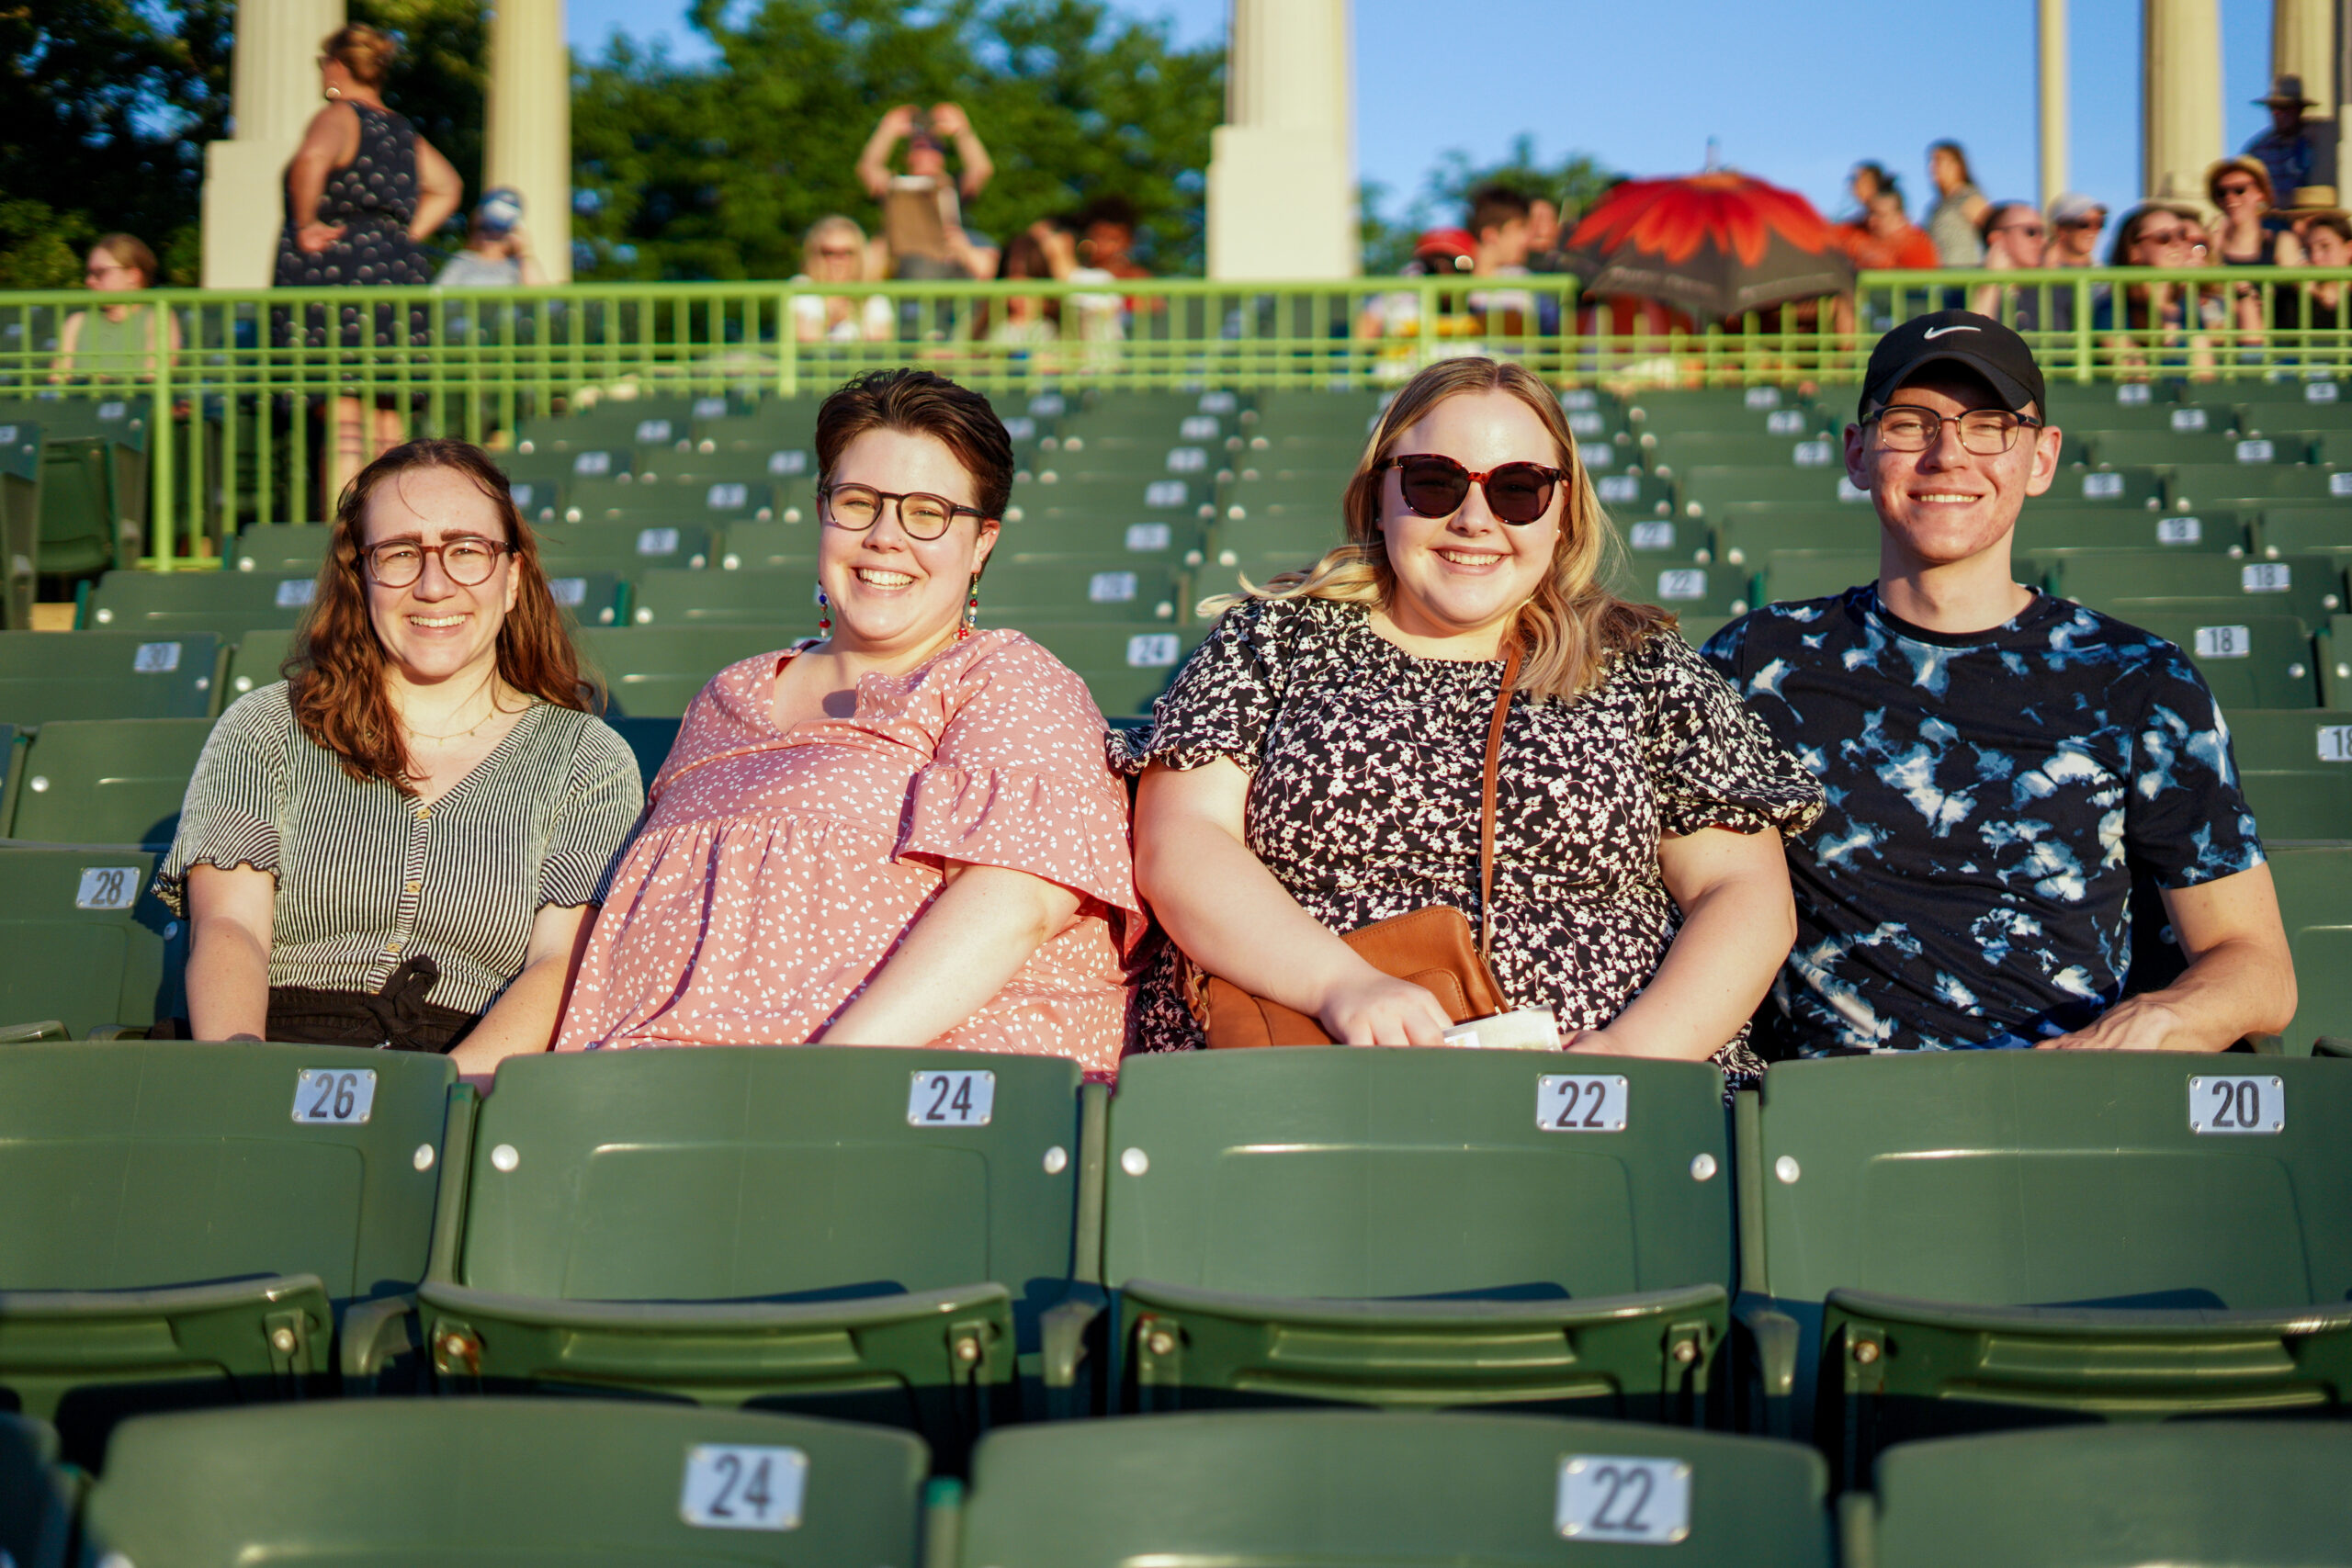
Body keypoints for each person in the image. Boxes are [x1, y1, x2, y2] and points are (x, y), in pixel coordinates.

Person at [1119, 356, 1822, 1071]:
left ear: (1563, 510)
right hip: (1307, 1073)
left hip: (1609, 1097)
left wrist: (1630, 1056)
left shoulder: (1641, 663)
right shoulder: (1270, 639)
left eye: (1519, 490)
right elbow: (1183, 843)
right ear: (1380, 490)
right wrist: (1341, 986)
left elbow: (1743, 892)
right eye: (1435, 482)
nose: (1474, 520)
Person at [1702, 312, 2295, 1056]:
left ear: (2041, 458)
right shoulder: (1758, 664)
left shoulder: (2141, 679)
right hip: (1829, 1129)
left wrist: (2151, 1025)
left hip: (2065, 1113)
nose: (1948, 454)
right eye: (1911, 423)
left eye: (1989, 426)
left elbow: (2258, 967)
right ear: (1859, 453)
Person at [555, 369, 1142, 1076]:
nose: (885, 537)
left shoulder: (1002, 677)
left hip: (892, 1097)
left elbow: (1014, 905)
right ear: (822, 510)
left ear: (982, 542)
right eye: (858, 503)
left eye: (927, 512)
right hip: (654, 1089)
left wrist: (824, 1082)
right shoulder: (727, 695)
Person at [158, 439, 642, 1073]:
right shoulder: (266, 729)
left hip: (470, 1072)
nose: (434, 585)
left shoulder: (588, 759)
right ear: (362, 573)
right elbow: (230, 928)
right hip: (271, 1051)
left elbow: (560, 965)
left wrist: (446, 1104)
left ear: (513, 576)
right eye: (401, 553)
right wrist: (245, 1088)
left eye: (468, 551)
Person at [275, 25, 465, 517]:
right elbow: (448, 186)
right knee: (386, 416)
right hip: (395, 274)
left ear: (338, 65)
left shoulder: (338, 114)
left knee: (343, 408)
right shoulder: (402, 128)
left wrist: (306, 223)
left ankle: (347, 537)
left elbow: (311, 161)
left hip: (338, 274)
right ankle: (391, 530)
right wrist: (401, 238)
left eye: (323, 61)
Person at [856, 103, 997, 280]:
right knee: (873, 251)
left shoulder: (950, 186)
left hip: (948, 263)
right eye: (919, 147)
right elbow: (868, 169)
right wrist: (887, 131)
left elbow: (981, 170)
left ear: (942, 156)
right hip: (901, 264)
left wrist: (962, 132)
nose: (926, 154)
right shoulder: (897, 185)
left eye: (934, 148)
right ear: (908, 155)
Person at [51, 233, 182, 382]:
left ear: (132, 276)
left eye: (100, 273)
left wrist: (103, 383)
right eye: (89, 273)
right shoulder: (76, 322)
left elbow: (154, 380)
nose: (89, 281)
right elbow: (57, 381)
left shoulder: (158, 317)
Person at [790, 215, 894, 344]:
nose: (838, 261)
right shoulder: (803, 287)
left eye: (847, 253)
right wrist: (834, 317)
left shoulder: (873, 296)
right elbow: (808, 341)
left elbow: (880, 345)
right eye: (829, 253)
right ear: (814, 254)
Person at [434, 188, 546, 288]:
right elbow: (440, 296)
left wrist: (524, 253)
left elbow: (541, 299)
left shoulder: (518, 266)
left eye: (500, 232)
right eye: (484, 228)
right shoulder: (463, 261)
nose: (489, 236)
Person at [2245, 75, 2324, 210]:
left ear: (2299, 110)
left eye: (2284, 108)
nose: (2277, 113)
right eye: (2273, 108)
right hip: (2274, 218)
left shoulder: (2319, 142)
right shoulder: (2258, 151)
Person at [1924, 141, 1989, 266]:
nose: (1932, 167)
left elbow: (1990, 235)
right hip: (1938, 280)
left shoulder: (1969, 197)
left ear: (1957, 165)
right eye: (1931, 162)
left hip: (1963, 277)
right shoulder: (1935, 207)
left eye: (1939, 161)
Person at [2207, 156, 2279, 265]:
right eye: (2221, 192)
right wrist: (2214, 252)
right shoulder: (2210, 243)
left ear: (2259, 193)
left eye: (2239, 190)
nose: (2229, 198)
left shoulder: (2280, 242)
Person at [2044, 192, 2108, 265]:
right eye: (2083, 224)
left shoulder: (2105, 274)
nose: (2092, 230)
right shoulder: (2036, 271)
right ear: (2060, 229)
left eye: (2099, 223)